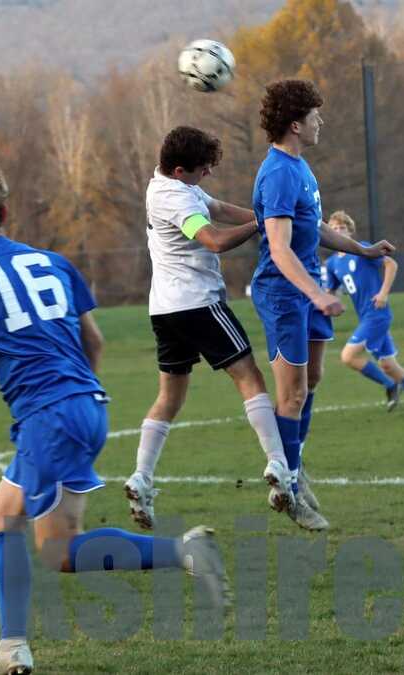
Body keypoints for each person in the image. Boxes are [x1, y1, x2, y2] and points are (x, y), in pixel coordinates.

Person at [0, 163, 227, 675]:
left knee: (59, 552)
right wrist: (78, 397)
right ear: (5, 211)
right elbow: (94, 341)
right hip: (85, 403)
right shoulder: (52, 261)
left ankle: (181, 551)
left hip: (49, 417)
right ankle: (12, 647)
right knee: (2, 514)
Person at [124, 125, 294, 530]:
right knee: (249, 377)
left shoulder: (164, 183)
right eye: (203, 168)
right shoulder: (177, 199)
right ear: (180, 170)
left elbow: (216, 207)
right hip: (197, 304)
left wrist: (267, 216)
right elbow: (213, 240)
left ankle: (141, 478)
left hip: (164, 310)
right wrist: (262, 227)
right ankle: (279, 465)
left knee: (169, 397)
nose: (208, 174)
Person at [249, 79, 395, 530]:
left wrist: (362, 250)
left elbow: (315, 230)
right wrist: (316, 293)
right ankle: (287, 487)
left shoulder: (301, 168)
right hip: (283, 293)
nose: (321, 122)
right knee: (292, 394)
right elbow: (279, 248)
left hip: (308, 286)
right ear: (296, 124)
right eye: (315, 116)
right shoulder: (277, 172)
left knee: (312, 380)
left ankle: (293, 466)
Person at [323, 210, 404, 419]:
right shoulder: (332, 263)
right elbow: (330, 291)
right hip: (365, 317)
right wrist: (324, 303)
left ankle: (390, 385)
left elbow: (391, 264)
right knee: (388, 365)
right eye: (334, 228)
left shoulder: (362, 249)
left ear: (350, 231)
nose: (338, 231)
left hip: (377, 314)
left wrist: (383, 293)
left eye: (342, 228)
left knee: (348, 356)